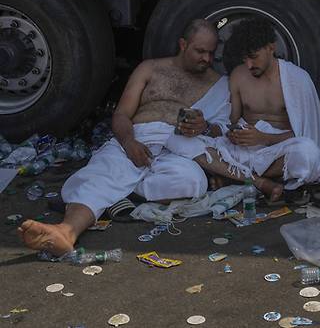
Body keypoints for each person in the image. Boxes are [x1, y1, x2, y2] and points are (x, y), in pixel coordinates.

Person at [17, 19, 231, 256]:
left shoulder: (219, 84)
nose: (207, 59)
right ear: (183, 44)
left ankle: (118, 192)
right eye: (200, 51)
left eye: (211, 53)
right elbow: (121, 115)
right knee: (97, 175)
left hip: (179, 148)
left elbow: (224, 130)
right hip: (136, 137)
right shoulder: (150, 68)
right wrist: (129, 142)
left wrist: (205, 126)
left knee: (192, 181)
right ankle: (65, 232)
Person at [166, 17, 320, 201]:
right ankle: (259, 182)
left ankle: (234, 178)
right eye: (245, 58)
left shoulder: (297, 79)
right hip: (242, 152)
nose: (249, 65)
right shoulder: (238, 75)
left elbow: (305, 134)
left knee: (309, 154)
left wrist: (264, 138)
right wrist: (225, 132)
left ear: (271, 47)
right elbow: (229, 123)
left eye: (253, 57)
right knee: (179, 141)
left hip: (277, 151)